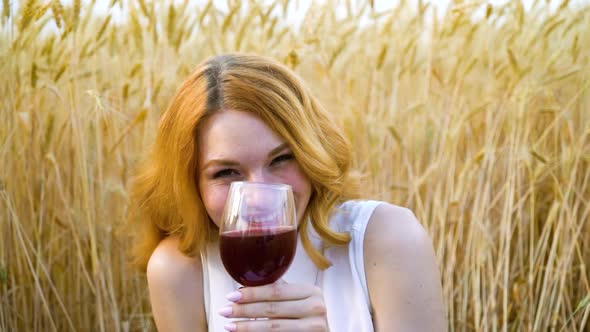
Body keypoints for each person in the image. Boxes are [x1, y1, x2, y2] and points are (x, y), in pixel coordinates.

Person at [128, 53, 446, 332]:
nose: (259, 195)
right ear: (190, 184)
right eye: (226, 172)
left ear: (310, 154)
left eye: (281, 159)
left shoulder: (388, 240)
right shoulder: (177, 270)